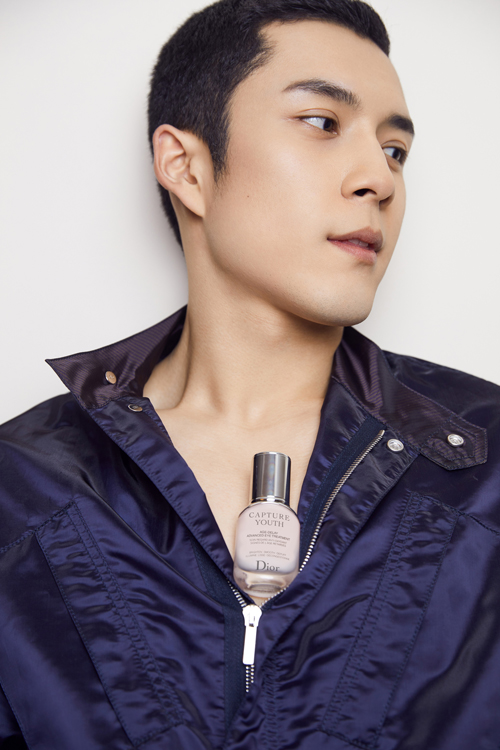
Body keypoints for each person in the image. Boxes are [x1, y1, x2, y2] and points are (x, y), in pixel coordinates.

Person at [0, 1, 499, 748]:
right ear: (187, 167)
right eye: (323, 122)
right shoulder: (21, 487)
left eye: (395, 150)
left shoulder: (487, 466)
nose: (379, 179)